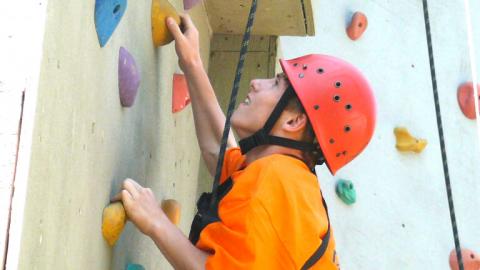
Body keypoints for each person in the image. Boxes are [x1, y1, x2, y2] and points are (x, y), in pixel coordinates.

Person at [112, 14, 376, 270]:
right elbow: (220, 153)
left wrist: (155, 221)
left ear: (294, 122)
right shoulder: (286, 179)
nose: (256, 83)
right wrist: (192, 63)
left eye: (275, 84)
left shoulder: (280, 184)